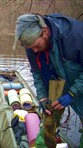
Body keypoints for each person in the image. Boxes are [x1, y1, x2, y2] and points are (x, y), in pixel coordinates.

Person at [13, 13, 83, 145]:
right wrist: (43, 97)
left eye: (36, 46)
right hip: (55, 81)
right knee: (48, 123)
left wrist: (72, 93)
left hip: (79, 80)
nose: (34, 51)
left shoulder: (74, 36)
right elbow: (37, 73)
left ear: (45, 32)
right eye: (30, 47)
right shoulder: (31, 44)